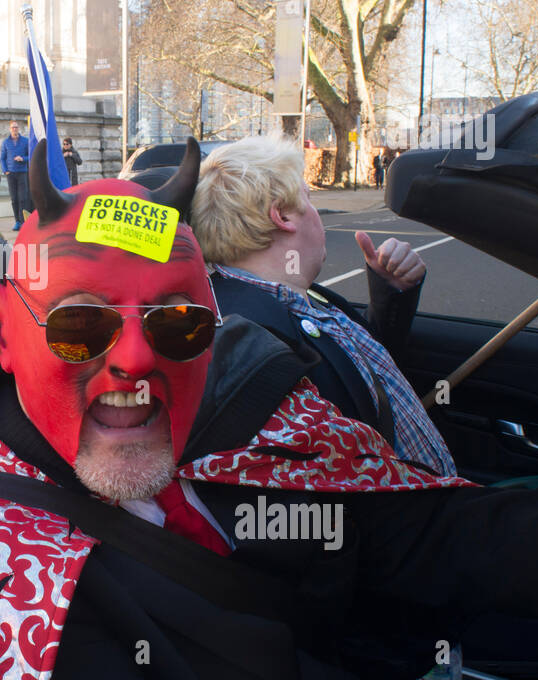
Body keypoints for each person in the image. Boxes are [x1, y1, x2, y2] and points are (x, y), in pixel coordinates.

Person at [0, 139, 538, 680]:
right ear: (3, 332)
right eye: (81, 324)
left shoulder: (250, 413)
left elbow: (438, 535)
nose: (133, 359)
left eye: (177, 323)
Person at [190, 133, 455, 476]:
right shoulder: (249, 339)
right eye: (309, 199)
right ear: (283, 215)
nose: (315, 212)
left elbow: (359, 373)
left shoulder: (309, 295)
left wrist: (391, 292)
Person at [1, 119, 30, 229]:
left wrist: (22, 158)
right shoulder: (6, 142)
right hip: (11, 174)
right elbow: (2, 158)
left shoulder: (25, 141)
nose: (15, 129)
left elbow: (31, 155)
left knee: (23, 198)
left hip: (22, 173)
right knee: (14, 198)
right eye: (13, 127)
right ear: (10, 129)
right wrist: (5, 170)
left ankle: (23, 221)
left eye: (16, 127)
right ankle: (17, 221)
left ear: (19, 129)